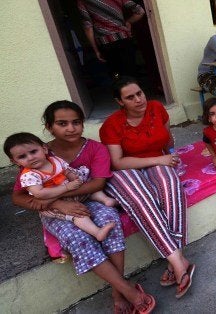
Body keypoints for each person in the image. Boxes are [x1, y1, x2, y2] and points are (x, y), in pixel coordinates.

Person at [11, 101, 155, 313]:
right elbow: (18, 196)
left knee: (111, 221)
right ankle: (127, 289)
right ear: (49, 127)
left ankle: (117, 292)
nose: (71, 128)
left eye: (76, 122)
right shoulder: (36, 155)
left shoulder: (95, 149)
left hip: (88, 199)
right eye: (62, 123)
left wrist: (58, 194)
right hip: (56, 212)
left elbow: (97, 184)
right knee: (79, 238)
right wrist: (58, 203)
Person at [100, 76, 195, 299]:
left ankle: (176, 262)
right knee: (141, 199)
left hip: (157, 159)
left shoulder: (156, 108)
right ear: (119, 102)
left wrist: (167, 158)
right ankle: (179, 263)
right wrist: (159, 161)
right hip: (126, 169)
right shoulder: (111, 125)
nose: (138, 99)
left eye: (139, 93)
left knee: (171, 188)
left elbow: (168, 141)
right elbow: (117, 162)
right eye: (130, 97)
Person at [4, 132, 116, 241]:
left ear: (44, 149)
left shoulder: (54, 160)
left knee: (90, 186)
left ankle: (105, 200)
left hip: (72, 193)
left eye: (33, 151)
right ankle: (97, 232)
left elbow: (66, 171)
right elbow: (40, 193)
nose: (30, 158)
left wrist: (74, 178)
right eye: (22, 156)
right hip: (53, 204)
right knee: (78, 215)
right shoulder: (29, 175)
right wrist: (67, 188)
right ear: (15, 161)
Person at [78, 0, 145, 78]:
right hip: (123, 38)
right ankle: (133, 87)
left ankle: (119, 85)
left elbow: (88, 27)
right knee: (131, 72)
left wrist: (96, 50)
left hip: (106, 43)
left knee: (116, 75)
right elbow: (140, 11)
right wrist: (128, 22)